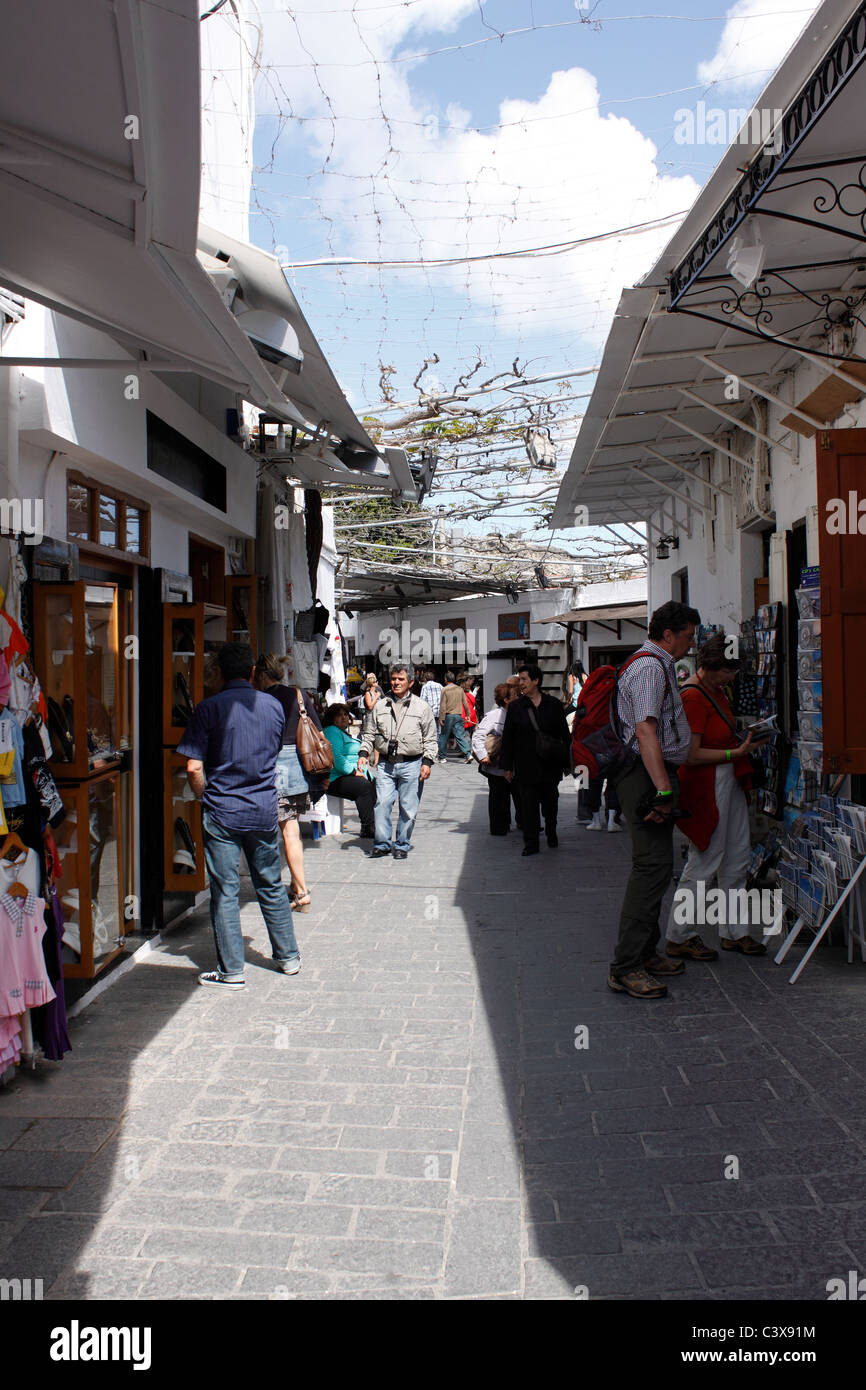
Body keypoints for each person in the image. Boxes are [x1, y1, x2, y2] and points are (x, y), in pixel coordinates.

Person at [178, 643, 302, 989]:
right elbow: (273, 751)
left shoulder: (207, 709)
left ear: (218, 672)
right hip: (262, 808)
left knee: (225, 890)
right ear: (251, 672)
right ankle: (288, 957)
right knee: (270, 883)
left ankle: (232, 970)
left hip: (222, 811)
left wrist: (205, 795)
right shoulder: (274, 706)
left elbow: (192, 766)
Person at [607, 601, 701, 1000]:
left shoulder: (655, 664)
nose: (690, 644)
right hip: (645, 777)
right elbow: (646, 732)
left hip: (651, 775)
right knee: (650, 868)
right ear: (668, 635)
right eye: (687, 636)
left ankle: (645, 952)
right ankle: (625, 967)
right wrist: (662, 789)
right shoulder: (649, 667)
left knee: (658, 868)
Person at [665, 633, 766, 960]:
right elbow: (691, 754)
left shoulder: (717, 691)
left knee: (736, 856)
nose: (732, 677)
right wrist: (734, 751)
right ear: (710, 667)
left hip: (727, 779)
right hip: (708, 783)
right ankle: (680, 935)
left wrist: (742, 745)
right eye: (727, 671)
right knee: (705, 859)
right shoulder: (694, 697)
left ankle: (734, 931)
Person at [253, 653, 324, 914]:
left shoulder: (262, 699)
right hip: (298, 767)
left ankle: (301, 891)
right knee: (291, 830)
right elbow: (318, 729)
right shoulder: (298, 695)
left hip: (273, 766)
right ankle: (298, 886)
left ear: (261, 675)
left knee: (280, 833)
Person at [359, 664, 437, 858]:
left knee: (408, 808)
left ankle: (402, 844)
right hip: (386, 763)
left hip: (412, 763)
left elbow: (430, 737)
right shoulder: (380, 705)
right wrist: (363, 754)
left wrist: (427, 762)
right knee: (382, 804)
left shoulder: (422, 707)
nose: (396, 682)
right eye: (393, 679)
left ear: (410, 682)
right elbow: (369, 733)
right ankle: (382, 843)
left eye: (401, 679)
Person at [499, 664, 571, 856]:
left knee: (550, 804)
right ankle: (531, 843)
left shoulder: (554, 705)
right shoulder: (516, 707)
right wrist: (507, 766)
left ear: (536, 681)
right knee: (528, 807)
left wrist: (567, 763)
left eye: (524, 679)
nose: (521, 683)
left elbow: (564, 735)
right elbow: (508, 738)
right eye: (520, 679)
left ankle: (551, 831)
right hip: (525, 766)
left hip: (550, 764)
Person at [472, 681, 521, 835]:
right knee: (499, 797)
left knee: (521, 795)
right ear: (506, 700)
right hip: (497, 765)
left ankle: (524, 822)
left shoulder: (521, 713)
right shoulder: (494, 715)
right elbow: (478, 736)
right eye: (515, 696)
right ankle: (500, 826)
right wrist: (483, 755)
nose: (518, 698)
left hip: (517, 764)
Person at [321, 702, 376, 839]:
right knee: (364, 787)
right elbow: (336, 758)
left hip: (351, 775)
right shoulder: (332, 731)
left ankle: (377, 824)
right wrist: (354, 772)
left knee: (380, 787)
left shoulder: (342, 733)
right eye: (339, 715)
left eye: (346, 714)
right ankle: (368, 827)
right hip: (335, 778)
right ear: (331, 718)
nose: (344, 717)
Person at [437, 670, 472, 763]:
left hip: (448, 716)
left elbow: (443, 705)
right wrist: (468, 715)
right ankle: (468, 754)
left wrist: (441, 718)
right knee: (460, 736)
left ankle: (442, 757)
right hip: (458, 715)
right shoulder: (460, 689)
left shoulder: (444, 689)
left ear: (446, 679)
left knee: (444, 736)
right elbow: (465, 703)